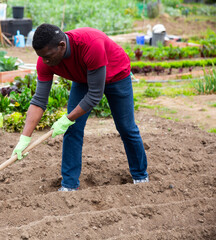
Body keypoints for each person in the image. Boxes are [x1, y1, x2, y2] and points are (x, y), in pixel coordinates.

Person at [11, 23, 149, 191]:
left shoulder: (91, 45)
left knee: (126, 127)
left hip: (116, 74)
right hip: (83, 78)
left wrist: (67, 118)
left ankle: (140, 175)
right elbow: (39, 100)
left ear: (61, 46)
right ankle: (69, 185)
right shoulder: (45, 61)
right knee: (73, 130)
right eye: (41, 57)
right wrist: (24, 138)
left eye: (48, 56)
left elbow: (95, 95)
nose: (45, 61)